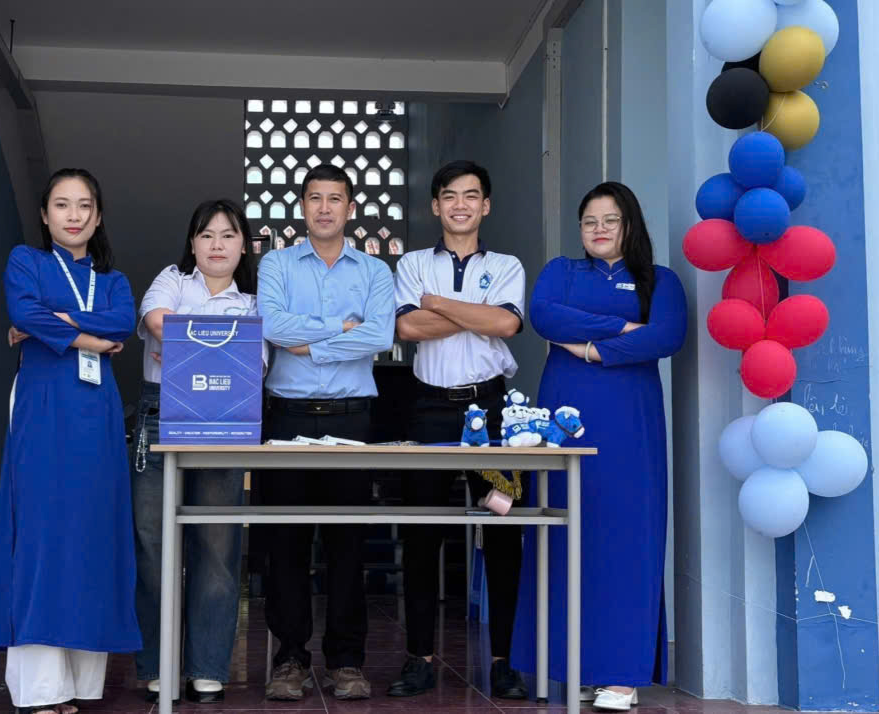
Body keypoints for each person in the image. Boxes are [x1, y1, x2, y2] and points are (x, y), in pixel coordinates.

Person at [510, 182, 686, 712]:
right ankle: (567, 665)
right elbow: (545, 316)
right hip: (565, 416)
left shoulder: (661, 280)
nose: (600, 230)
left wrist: (588, 349)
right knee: (562, 534)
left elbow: (665, 337)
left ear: (630, 225)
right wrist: (620, 328)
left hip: (631, 422)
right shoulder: (561, 272)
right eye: (590, 221)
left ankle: (621, 674)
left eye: (611, 220)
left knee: (628, 535)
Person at [0, 168, 139, 714]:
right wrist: (88, 339)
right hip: (43, 405)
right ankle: (39, 689)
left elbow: (123, 321)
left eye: (84, 206)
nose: (73, 215)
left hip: (96, 413)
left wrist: (57, 323)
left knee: (90, 532)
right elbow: (22, 310)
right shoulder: (25, 261)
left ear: (97, 217)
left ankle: (78, 683)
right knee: (41, 532)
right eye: (61, 204)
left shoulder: (113, 280)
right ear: (45, 215)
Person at [390, 160, 529, 699]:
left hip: (492, 413)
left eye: (471, 195)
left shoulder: (508, 264)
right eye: (450, 196)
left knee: (503, 529)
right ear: (435, 206)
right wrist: (477, 314)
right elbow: (408, 327)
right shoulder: (412, 262)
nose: (460, 205)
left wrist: (440, 304)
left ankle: (504, 662)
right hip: (429, 410)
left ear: (485, 205)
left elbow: (507, 323)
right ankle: (419, 658)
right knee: (422, 534)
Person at [256, 164, 395, 701]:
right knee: (285, 544)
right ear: (303, 206)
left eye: (335, 199)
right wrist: (341, 328)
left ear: (350, 209)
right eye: (315, 198)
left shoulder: (375, 271)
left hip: (350, 417)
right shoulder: (276, 263)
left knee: (347, 543)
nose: (324, 208)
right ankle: (289, 659)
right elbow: (273, 326)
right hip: (288, 416)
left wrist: (309, 344)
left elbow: (379, 335)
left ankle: (346, 661)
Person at [129, 199, 260, 703]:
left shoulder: (253, 304)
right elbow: (156, 320)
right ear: (192, 243)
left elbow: (255, 364)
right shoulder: (172, 280)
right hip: (160, 416)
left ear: (243, 245)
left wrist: (185, 347)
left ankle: (207, 666)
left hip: (226, 424)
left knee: (218, 548)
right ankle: (159, 664)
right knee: (153, 546)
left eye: (228, 235)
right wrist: (217, 350)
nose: (217, 245)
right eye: (207, 235)